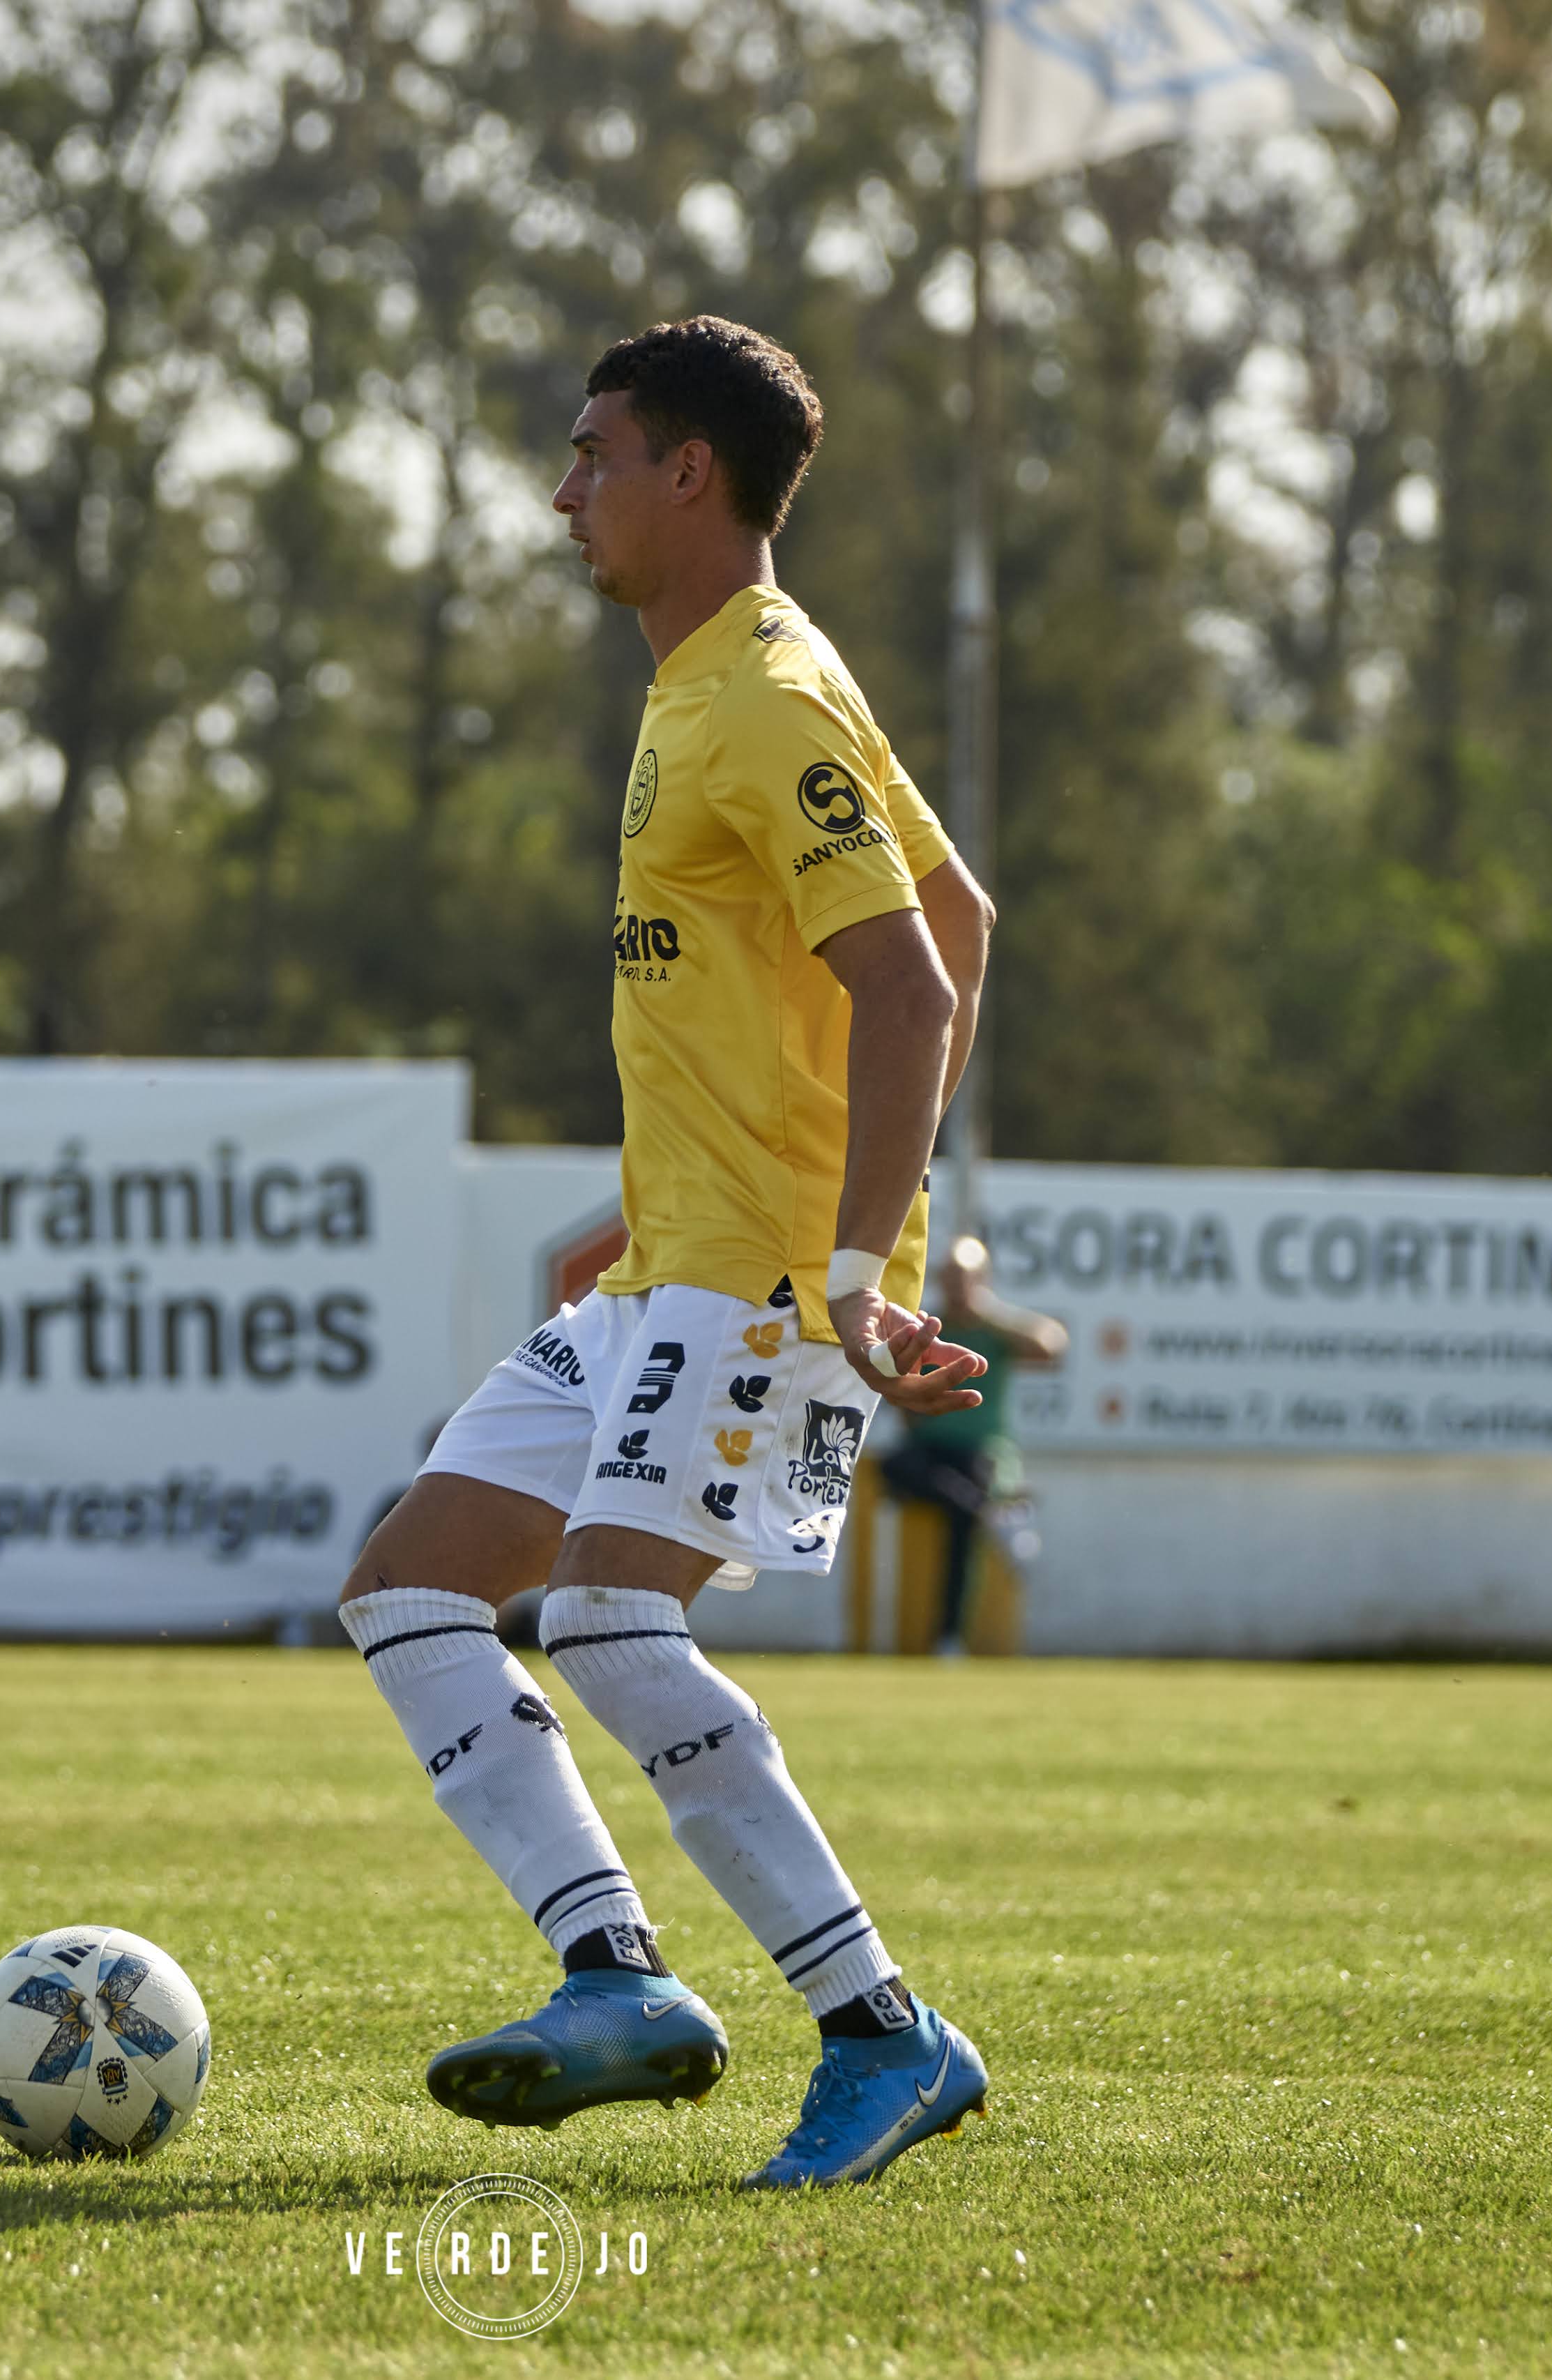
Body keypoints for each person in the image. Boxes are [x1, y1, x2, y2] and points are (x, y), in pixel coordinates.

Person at [333, 317, 1001, 2190]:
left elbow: (911, 974)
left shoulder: (765, 691)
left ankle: (882, 2031)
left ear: (683, 473)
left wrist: (856, 1257)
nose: (563, 494)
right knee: (407, 1592)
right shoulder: (717, 678)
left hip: (773, 1279)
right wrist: (656, 1197)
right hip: (671, 1265)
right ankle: (612, 1974)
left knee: (615, 1618)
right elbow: (954, 898)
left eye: (589, 454)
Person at [876, 1234, 1065, 1658]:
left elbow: (1052, 1346)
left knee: (962, 1519)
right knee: (902, 1471)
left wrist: (987, 1313)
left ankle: (948, 1638)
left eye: (965, 1279)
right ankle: (991, 1514)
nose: (957, 1288)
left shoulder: (994, 1330)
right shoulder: (932, 1325)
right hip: (928, 1448)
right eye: (951, 1278)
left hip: (978, 1452)